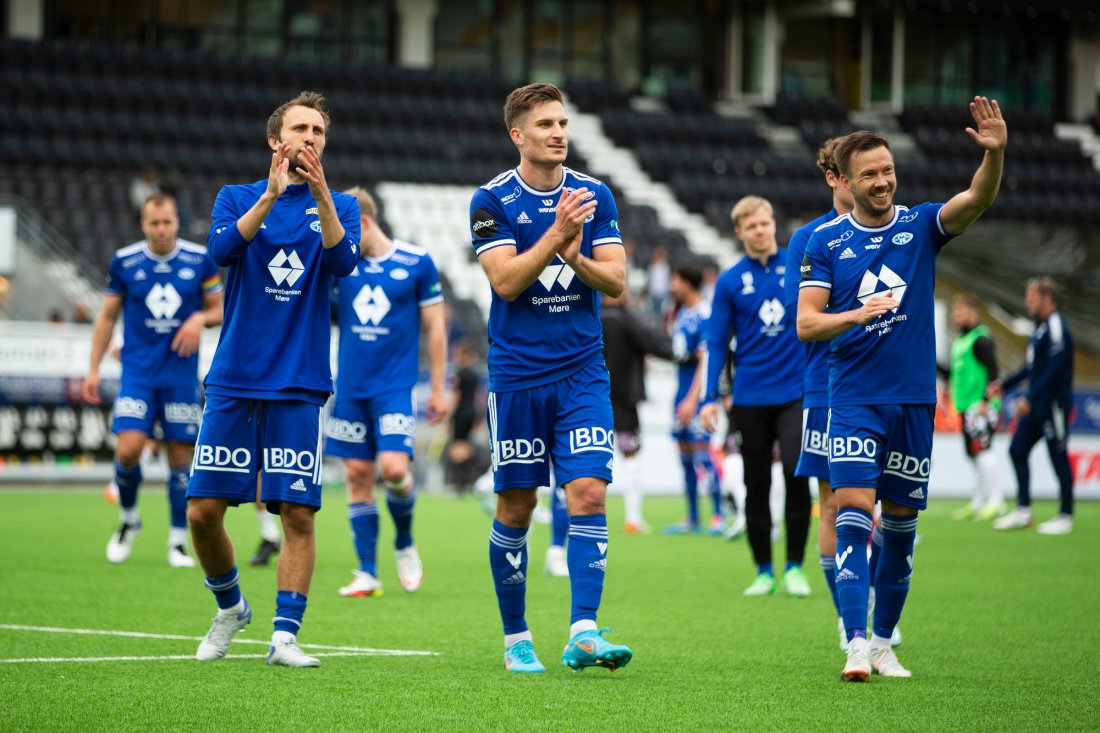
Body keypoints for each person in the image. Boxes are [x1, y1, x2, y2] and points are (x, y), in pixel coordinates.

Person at [797, 97, 1007, 681]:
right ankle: (855, 642)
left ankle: (885, 641)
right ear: (848, 181)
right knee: (852, 514)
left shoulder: (920, 226)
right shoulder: (825, 243)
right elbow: (807, 323)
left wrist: (995, 155)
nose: (883, 181)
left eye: (888, 170)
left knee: (901, 526)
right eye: (871, 174)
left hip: (914, 400)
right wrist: (856, 315)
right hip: (854, 398)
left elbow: (976, 201)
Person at [185, 91, 361, 667]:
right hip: (235, 376)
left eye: (319, 131)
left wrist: (319, 195)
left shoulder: (341, 205)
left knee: (297, 513)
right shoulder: (236, 196)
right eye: (300, 129)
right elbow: (221, 250)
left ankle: (285, 636)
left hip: (300, 380)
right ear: (275, 141)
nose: (310, 138)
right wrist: (269, 196)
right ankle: (231, 606)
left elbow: (343, 264)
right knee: (203, 512)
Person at [470, 82, 633, 674]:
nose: (558, 133)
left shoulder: (594, 194)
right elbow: (506, 282)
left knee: (588, 491)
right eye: (544, 125)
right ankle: (516, 637)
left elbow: (616, 284)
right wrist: (556, 236)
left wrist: (576, 256)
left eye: (562, 123)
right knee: (515, 506)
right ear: (518, 135)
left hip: (582, 372)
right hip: (516, 376)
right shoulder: (490, 200)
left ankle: (584, 631)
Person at [84, 193, 223, 568]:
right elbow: (107, 317)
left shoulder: (199, 260)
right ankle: (129, 520)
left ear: (177, 222)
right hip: (138, 374)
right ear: (143, 224)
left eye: (168, 222)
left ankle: (177, 542)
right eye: (154, 223)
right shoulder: (125, 261)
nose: (161, 229)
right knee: (128, 450)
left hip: (179, 375)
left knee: (181, 458)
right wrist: (94, 368)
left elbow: (219, 309)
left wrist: (198, 320)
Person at [326, 185, 448, 597]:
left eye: (341, 230)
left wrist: (436, 388)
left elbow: (435, 328)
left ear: (361, 222)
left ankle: (404, 542)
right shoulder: (339, 269)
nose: (335, 240)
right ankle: (366, 572)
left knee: (395, 470)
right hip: (350, 390)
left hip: (394, 388)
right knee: (358, 475)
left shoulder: (417, 263)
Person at [700, 196, 812, 599]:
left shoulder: (800, 268)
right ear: (740, 233)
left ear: (773, 224)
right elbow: (715, 342)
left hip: (796, 393)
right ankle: (764, 571)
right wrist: (709, 396)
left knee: (797, 474)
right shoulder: (730, 281)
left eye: (765, 223)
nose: (760, 231)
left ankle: (795, 567)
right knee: (756, 482)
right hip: (749, 397)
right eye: (752, 226)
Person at [784, 137, 855, 647]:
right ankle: (846, 612)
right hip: (828, 386)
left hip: (891, 387)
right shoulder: (810, 238)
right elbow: (805, 319)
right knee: (833, 505)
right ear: (833, 178)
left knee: (891, 507)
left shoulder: (902, 230)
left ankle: (880, 609)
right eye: (852, 173)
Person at [990, 276, 1075, 534]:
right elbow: (1031, 368)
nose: (1028, 301)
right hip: (1037, 403)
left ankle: (1065, 516)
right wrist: (1003, 384)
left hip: (1054, 404)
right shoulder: (1038, 328)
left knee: (1057, 456)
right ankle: (1023, 510)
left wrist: (1029, 396)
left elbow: (1054, 369)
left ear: (1047, 298)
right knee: (1017, 449)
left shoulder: (1056, 326)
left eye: (1032, 297)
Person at [599, 289, 673, 534]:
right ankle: (632, 518)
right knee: (630, 455)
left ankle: (585, 518)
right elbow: (654, 344)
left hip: (592, 401)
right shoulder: (626, 319)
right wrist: (684, 354)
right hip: (624, 402)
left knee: (591, 458)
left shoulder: (591, 317)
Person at [665, 264, 723, 535]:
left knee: (702, 455)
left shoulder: (704, 313)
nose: (671, 286)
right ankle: (692, 517)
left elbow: (706, 360)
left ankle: (718, 515)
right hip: (681, 393)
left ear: (687, 283)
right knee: (686, 457)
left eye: (674, 280)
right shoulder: (681, 314)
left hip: (696, 397)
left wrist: (692, 400)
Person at [941, 293, 1003, 520]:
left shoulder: (981, 339)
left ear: (972, 312)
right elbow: (953, 374)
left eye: (960, 311)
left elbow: (995, 372)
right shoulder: (960, 341)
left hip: (981, 407)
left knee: (984, 451)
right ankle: (979, 501)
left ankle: (996, 500)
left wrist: (986, 402)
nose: (956, 316)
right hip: (967, 406)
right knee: (974, 454)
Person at [446, 340, 485, 495]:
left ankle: (460, 483)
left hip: (460, 414)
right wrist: (478, 416)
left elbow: (456, 397)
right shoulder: (475, 375)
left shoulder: (458, 375)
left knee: (456, 448)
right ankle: (469, 480)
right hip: (471, 414)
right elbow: (479, 398)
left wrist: (448, 416)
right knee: (467, 446)